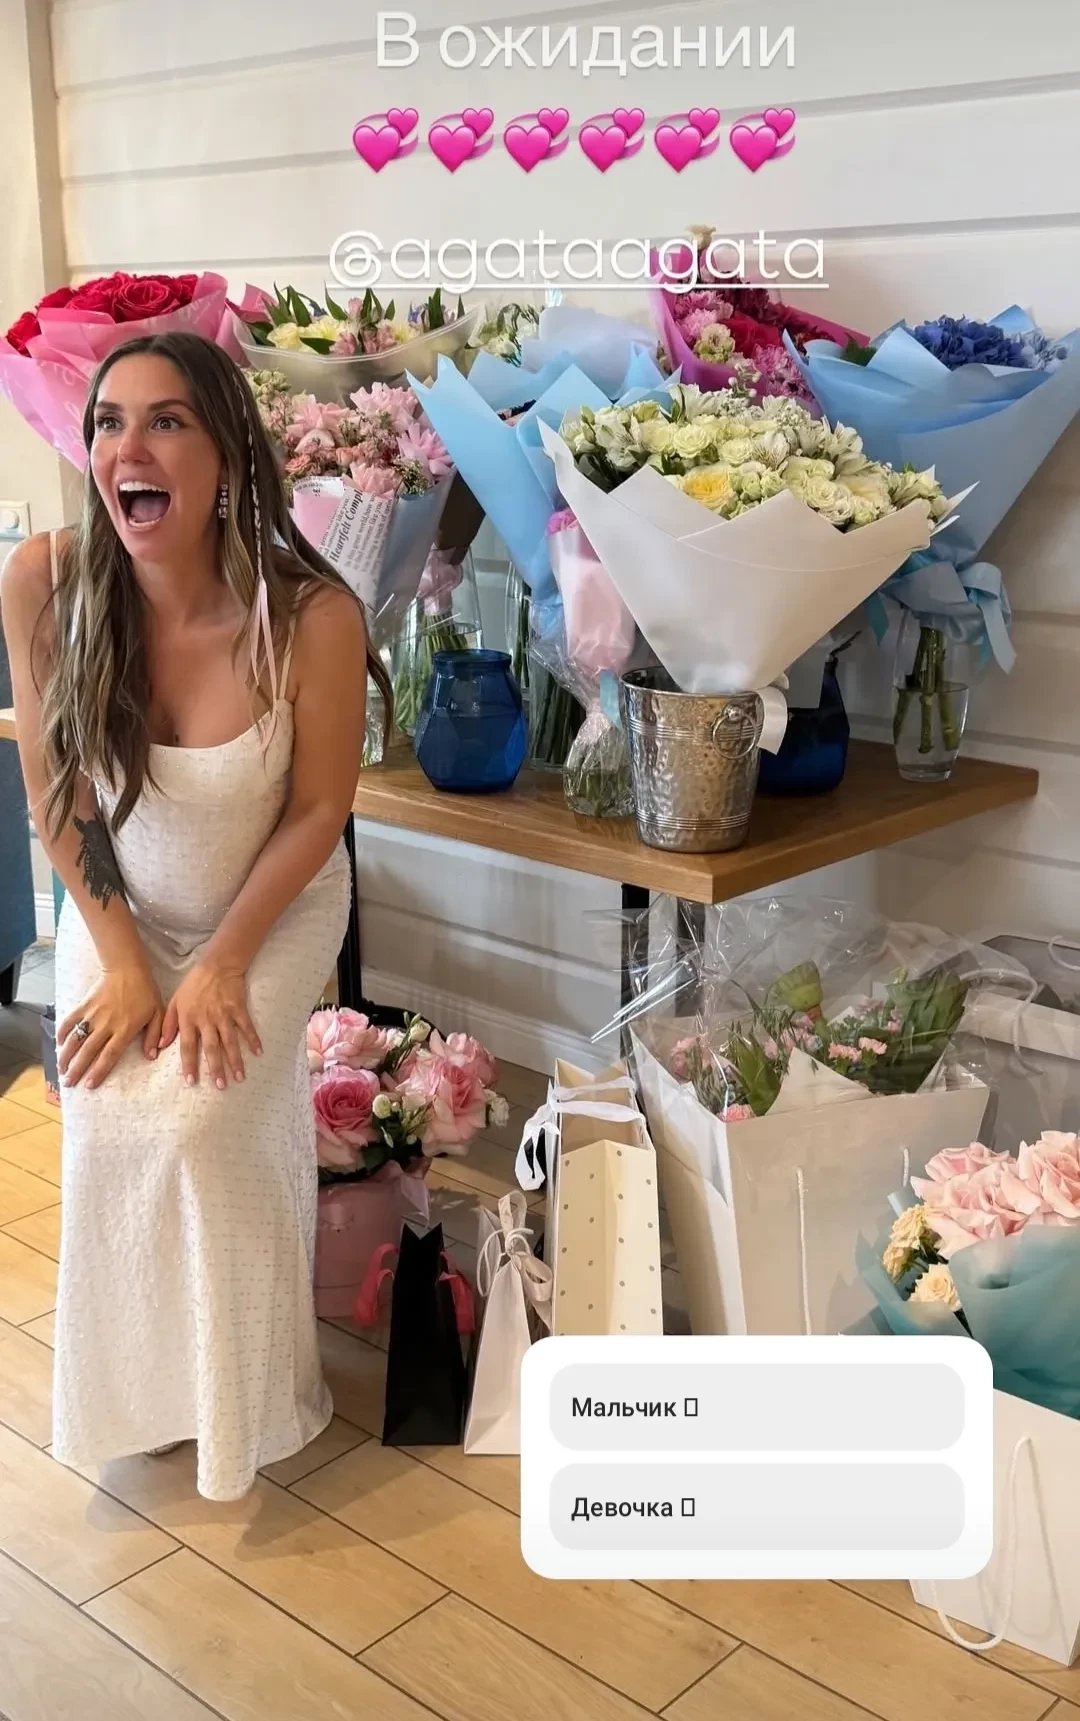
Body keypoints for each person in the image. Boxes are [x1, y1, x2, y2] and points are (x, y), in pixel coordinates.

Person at [0, 330, 391, 1500]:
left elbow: (319, 808)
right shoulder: (45, 582)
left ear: (227, 456)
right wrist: (122, 957)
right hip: (119, 910)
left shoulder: (311, 614)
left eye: (166, 420)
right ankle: (144, 1397)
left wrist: (223, 959)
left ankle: (251, 1397)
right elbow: (55, 791)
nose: (130, 446)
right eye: (109, 421)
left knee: (204, 1124)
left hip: (271, 906)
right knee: (112, 1114)